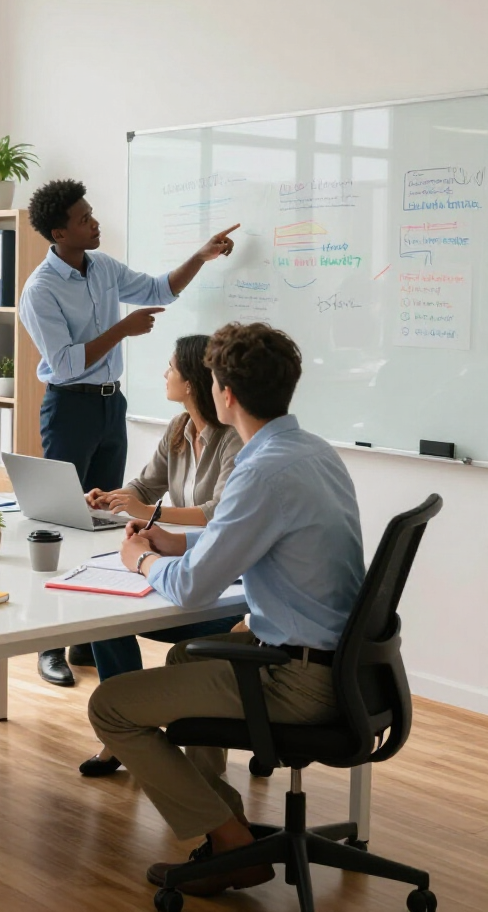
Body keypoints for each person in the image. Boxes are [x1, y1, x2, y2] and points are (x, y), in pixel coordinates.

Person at [88, 322, 365, 899]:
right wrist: (173, 540)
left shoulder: (258, 470)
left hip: (297, 678)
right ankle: (226, 824)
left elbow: (189, 591)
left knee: (111, 707)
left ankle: (232, 845)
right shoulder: (311, 451)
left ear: (225, 394)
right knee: (186, 654)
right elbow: (246, 540)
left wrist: (140, 559)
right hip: (343, 665)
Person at [18, 179, 238, 687]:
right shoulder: (40, 289)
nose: (95, 223)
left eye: (92, 214)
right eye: (84, 219)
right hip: (68, 407)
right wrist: (122, 328)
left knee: (101, 516)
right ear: (59, 231)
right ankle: (49, 645)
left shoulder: (103, 267)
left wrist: (200, 256)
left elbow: (160, 289)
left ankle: (88, 636)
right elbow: (65, 363)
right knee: (65, 522)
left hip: (109, 404)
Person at [77, 334, 244, 777]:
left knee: (182, 642)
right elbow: (145, 485)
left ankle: (162, 745)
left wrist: (149, 514)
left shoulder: (233, 439)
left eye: (171, 368)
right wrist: (111, 498)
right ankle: (123, 735)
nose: (164, 375)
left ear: (191, 381)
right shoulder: (177, 429)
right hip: (178, 560)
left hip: (219, 580)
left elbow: (219, 512)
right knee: (105, 619)